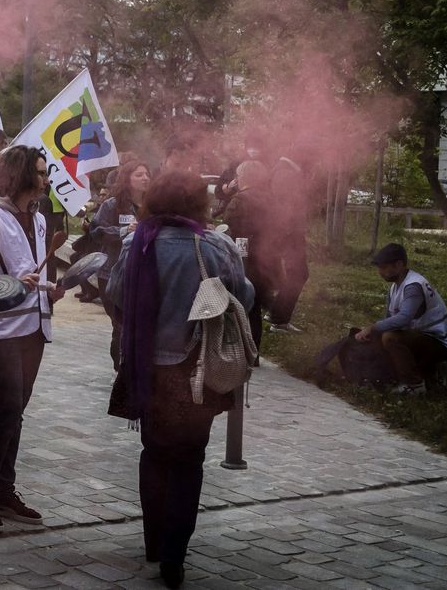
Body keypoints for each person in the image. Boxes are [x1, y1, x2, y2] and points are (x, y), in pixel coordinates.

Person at [108, 170, 254, 589]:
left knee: (154, 453)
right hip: (198, 368)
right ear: (198, 203)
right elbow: (242, 298)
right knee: (190, 459)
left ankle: (154, 544)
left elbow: (116, 295)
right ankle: (174, 556)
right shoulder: (216, 244)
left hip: (148, 368)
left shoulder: (137, 244)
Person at [0, 145, 64, 533]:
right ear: (20, 175)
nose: (46, 179)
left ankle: (3, 490)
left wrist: (50, 288)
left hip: (33, 328)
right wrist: (7, 284)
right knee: (5, 410)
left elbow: (32, 272)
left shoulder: (37, 218)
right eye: (40, 173)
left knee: (14, 412)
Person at [355, 243, 447, 395]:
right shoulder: (395, 287)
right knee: (378, 335)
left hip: (440, 342)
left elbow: (403, 319)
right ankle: (395, 376)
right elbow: (390, 319)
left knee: (390, 338)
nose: (380, 272)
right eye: (379, 268)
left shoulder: (413, 286)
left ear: (399, 265)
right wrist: (372, 330)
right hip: (420, 336)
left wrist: (373, 327)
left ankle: (415, 385)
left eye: (384, 267)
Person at [93, 159, 151, 370]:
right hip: (112, 273)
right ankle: (121, 369)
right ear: (127, 179)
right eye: (139, 174)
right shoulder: (112, 205)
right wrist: (123, 232)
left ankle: (134, 365)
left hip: (143, 273)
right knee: (120, 324)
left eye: (146, 174)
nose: (145, 178)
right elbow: (96, 231)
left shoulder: (153, 206)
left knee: (137, 324)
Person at [220, 160, 272, 345]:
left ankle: (238, 348)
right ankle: (254, 349)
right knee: (255, 306)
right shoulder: (270, 198)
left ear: (242, 177)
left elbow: (230, 229)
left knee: (239, 303)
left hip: (243, 258)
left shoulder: (239, 200)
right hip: (265, 258)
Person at [266, 157, 309, 333]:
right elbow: (284, 207)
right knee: (298, 273)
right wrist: (291, 232)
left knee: (297, 274)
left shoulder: (285, 170)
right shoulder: (285, 173)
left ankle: (278, 315)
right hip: (289, 234)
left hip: (290, 233)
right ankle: (277, 317)